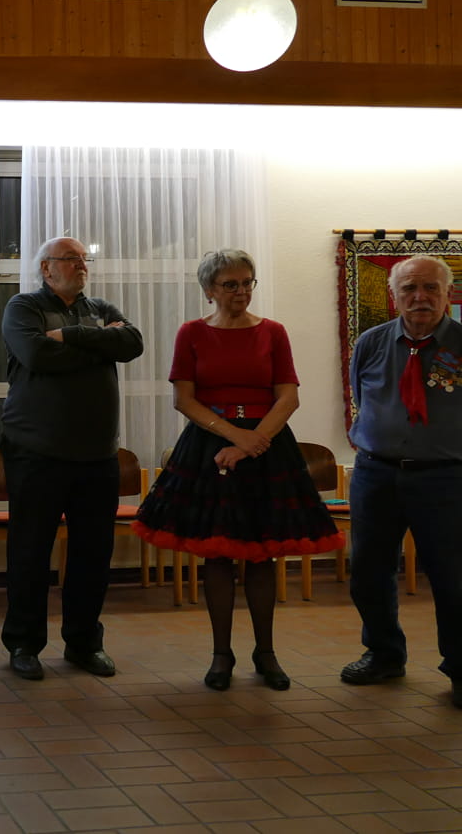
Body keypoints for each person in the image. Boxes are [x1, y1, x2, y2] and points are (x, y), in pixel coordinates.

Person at [134, 249, 341, 691]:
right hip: (209, 444)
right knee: (218, 552)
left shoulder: (273, 332)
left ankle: (266, 653)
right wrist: (235, 437)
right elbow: (183, 399)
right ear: (209, 290)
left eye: (247, 282)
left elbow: (288, 396)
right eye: (231, 284)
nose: (241, 291)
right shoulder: (191, 333)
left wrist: (253, 441)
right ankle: (221, 655)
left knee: (263, 552)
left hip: (266, 444)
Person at [0, 236, 143, 680]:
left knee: (92, 554)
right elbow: (37, 354)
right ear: (47, 268)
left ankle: (84, 644)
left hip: (97, 454)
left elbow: (132, 343)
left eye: (85, 259)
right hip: (36, 452)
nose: (82, 265)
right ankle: (24, 644)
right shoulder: (23, 308)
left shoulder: (99, 307)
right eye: (71, 259)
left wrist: (73, 336)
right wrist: (100, 345)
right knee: (30, 552)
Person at [342, 254, 462, 709]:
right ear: (394, 295)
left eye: (431, 288)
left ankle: (461, 668)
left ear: (448, 293)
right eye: (409, 288)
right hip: (377, 474)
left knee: (453, 578)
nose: (420, 297)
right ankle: (384, 654)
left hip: (447, 478)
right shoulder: (371, 343)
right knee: (369, 571)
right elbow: (361, 396)